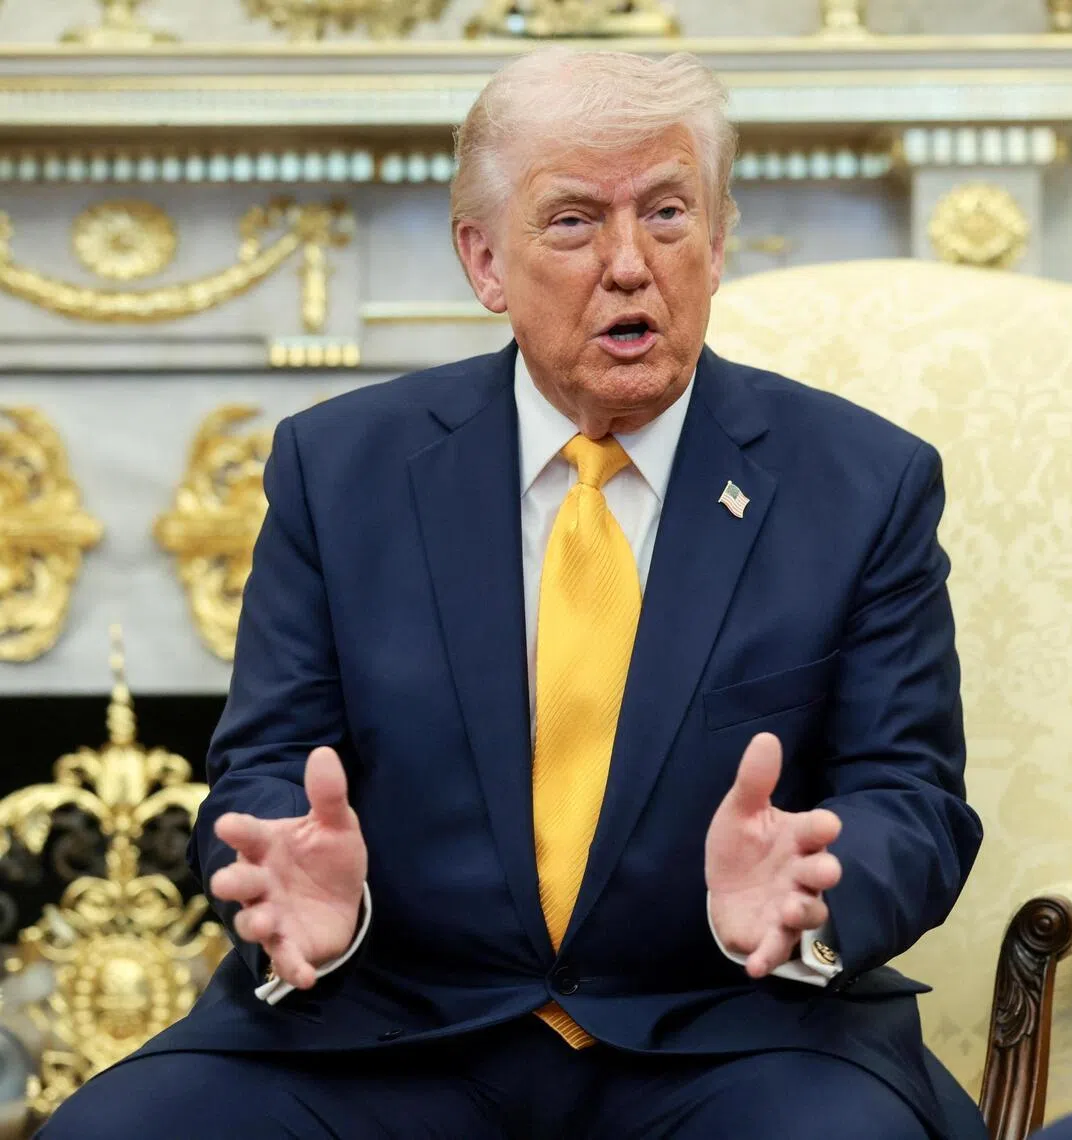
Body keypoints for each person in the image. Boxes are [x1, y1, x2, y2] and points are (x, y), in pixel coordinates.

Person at [41, 48, 986, 1139]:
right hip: (390, 1028)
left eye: (669, 213)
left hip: (731, 1028)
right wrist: (306, 888)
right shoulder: (338, 470)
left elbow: (909, 796)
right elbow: (264, 766)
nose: (631, 264)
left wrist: (818, 888)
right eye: (575, 221)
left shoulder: (862, 483)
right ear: (485, 262)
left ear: (720, 241)